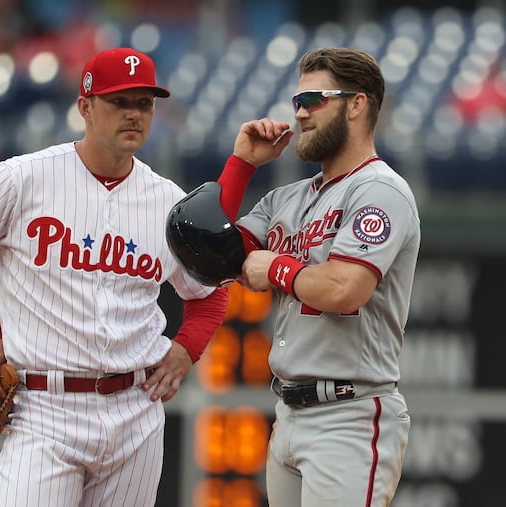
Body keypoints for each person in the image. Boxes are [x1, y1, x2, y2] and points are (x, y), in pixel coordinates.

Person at [0, 47, 228, 507]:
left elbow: (211, 293)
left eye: (145, 103)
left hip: (136, 411)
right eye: (120, 102)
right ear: (85, 107)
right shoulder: (22, 179)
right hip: (44, 409)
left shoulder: (167, 201)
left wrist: (185, 351)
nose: (134, 114)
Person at [215, 47, 420, 506]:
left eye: (314, 99)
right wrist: (242, 165)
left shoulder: (379, 190)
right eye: (297, 101)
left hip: (348, 415)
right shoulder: (287, 198)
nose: (300, 113)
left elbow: (345, 289)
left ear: (357, 104)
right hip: (288, 412)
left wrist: (277, 267)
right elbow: (210, 255)